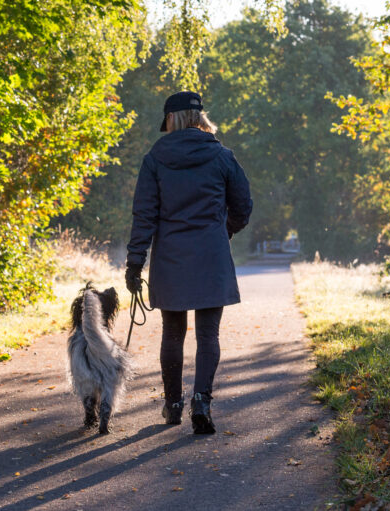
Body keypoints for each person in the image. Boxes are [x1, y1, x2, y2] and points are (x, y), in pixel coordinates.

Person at [125, 91, 252, 434]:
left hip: (171, 256)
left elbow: (144, 215)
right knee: (208, 334)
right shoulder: (222, 155)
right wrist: (222, 231)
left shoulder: (155, 158)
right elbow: (243, 205)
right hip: (211, 254)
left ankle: (173, 405)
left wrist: (135, 263)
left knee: (173, 332)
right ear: (199, 118)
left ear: (171, 119)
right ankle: (202, 401)